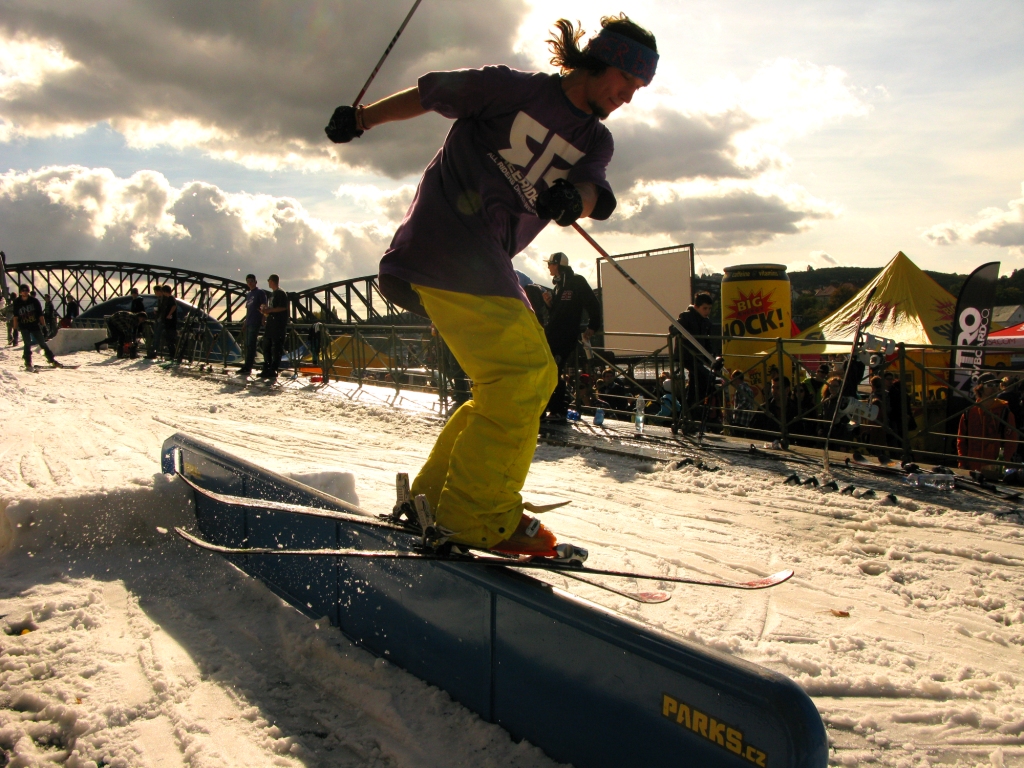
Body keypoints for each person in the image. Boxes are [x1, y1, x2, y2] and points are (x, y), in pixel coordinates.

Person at [327, 14, 657, 554]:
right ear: (602, 63)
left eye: (638, 90)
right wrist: (362, 119)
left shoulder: (596, 139)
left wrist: (576, 200)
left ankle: (433, 501)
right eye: (627, 83)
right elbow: (430, 92)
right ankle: (477, 513)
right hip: (447, 242)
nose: (628, 97)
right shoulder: (513, 88)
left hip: (482, 263)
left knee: (513, 382)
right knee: (525, 375)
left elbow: (601, 196)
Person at [542, 252, 602, 420]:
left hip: (566, 336)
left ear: (558, 265)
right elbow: (558, 313)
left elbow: (593, 304)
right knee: (550, 370)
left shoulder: (576, 281)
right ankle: (553, 408)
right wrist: (549, 304)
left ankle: (559, 409)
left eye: (551, 264)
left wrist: (593, 326)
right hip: (553, 335)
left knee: (554, 370)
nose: (548, 267)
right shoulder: (558, 286)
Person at [958, 373, 1018, 475]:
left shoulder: (1005, 412)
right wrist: (962, 463)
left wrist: (1004, 464)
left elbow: (1012, 441)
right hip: (973, 468)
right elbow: (961, 440)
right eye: (990, 385)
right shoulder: (969, 413)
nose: (994, 388)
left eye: (996, 385)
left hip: (996, 469)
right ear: (980, 388)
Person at [671, 292, 716, 418]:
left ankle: (690, 411)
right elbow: (674, 327)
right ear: (696, 307)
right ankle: (692, 409)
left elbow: (707, 342)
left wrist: (712, 357)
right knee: (704, 377)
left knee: (696, 383)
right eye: (705, 308)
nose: (707, 311)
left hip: (697, 357)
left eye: (709, 309)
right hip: (686, 355)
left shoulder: (706, 322)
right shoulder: (686, 316)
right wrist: (677, 330)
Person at [11, 284, 59, 370]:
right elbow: (15, 317)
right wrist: (15, 330)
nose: (25, 292)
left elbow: (40, 315)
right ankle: (28, 362)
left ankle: (51, 360)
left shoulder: (34, 301)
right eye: (23, 291)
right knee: (27, 343)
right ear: (20, 292)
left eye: (26, 291)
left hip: (34, 325)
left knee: (42, 343)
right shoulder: (17, 302)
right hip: (24, 326)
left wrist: (44, 326)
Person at [259, 274, 289, 380]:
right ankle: (267, 367)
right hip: (270, 325)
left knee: (276, 348)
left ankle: (273, 369)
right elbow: (271, 309)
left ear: (272, 281)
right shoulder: (272, 294)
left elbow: (283, 307)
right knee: (266, 346)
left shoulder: (281, 293)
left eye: (268, 281)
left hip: (278, 325)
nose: (268, 282)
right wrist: (264, 313)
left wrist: (269, 310)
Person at [238, 274, 267, 377]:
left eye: (251, 281)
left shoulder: (260, 293)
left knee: (251, 344)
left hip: (255, 321)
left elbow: (264, 305)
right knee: (246, 345)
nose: (249, 283)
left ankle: (248, 367)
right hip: (249, 322)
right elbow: (248, 310)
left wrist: (263, 317)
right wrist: (245, 322)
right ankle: (246, 365)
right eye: (248, 281)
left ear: (255, 281)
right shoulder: (249, 295)